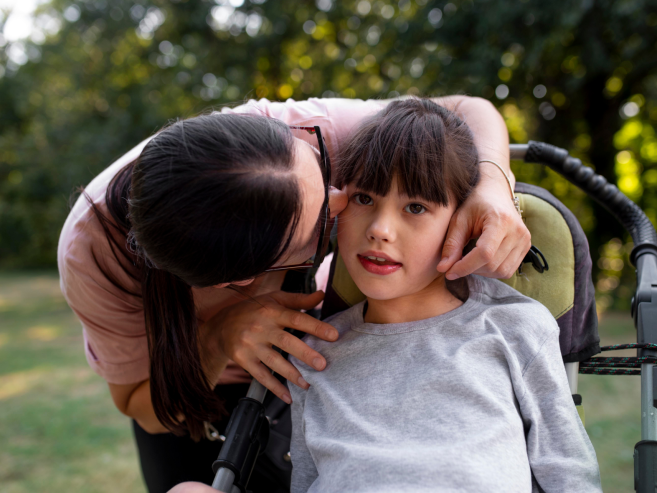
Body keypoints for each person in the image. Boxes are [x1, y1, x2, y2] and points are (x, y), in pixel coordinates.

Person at [57, 96, 530, 492]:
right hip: (195, 397)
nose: (344, 200)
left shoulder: (298, 135)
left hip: (307, 364)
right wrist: (220, 338)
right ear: (244, 280)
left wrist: (494, 181)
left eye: (325, 174)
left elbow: (468, 108)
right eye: (325, 217)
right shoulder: (92, 255)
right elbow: (139, 403)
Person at [288, 99, 602, 492]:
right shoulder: (313, 355)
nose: (381, 229)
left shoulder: (513, 327)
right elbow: (304, 480)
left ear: (463, 223)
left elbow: (568, 472)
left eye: (415, 207)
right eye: (364, 199)